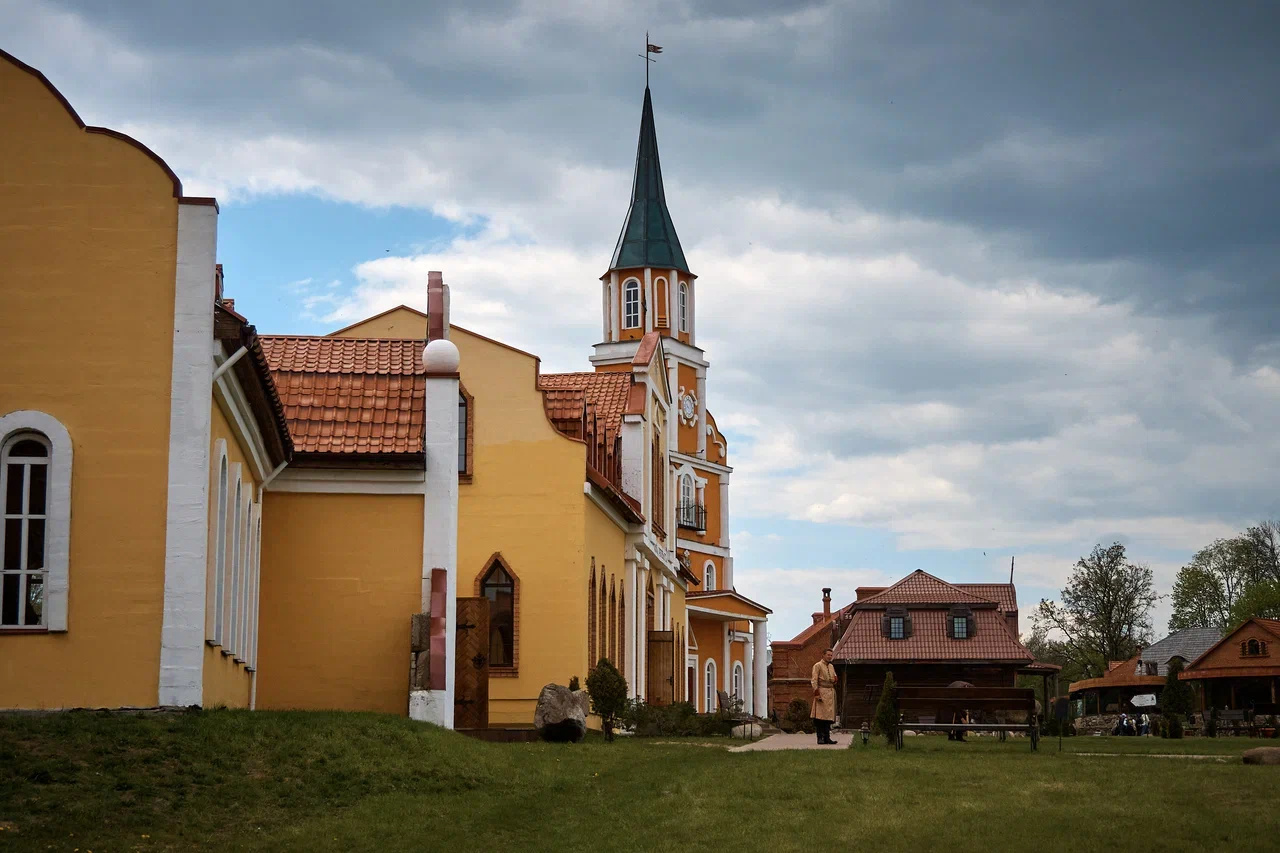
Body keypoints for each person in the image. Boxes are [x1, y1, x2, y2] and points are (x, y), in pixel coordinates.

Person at [810, 648, 839, 745]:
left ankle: (827, 737)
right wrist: (816, 693)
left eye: (831, 655)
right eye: (828, 655)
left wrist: (835, 679)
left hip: (830, 693)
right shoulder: (817, 666)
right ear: (823, 655)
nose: (830, 657)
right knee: (820, 717)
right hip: (822, 692)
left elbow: (834, 678)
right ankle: (820, 738)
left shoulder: (831, 666)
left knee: (828, 717)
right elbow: (814, 680)